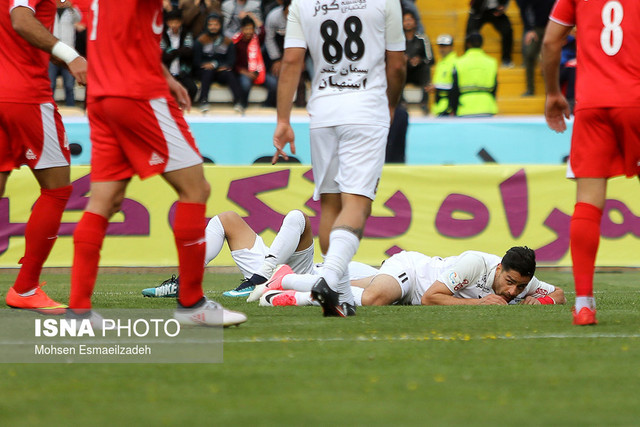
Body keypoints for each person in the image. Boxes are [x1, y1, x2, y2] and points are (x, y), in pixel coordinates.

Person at [69, 0, 245, 327]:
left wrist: (167, 77)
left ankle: (78, 310)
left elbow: (136, 39)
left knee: (104, 201)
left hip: (103, 97)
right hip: (137, 93)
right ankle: (192, 303)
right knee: (195, 188)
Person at [272, 0, 406, 317]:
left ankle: (342, 298)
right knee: (357, 204)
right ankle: (329, 279)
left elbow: (291, 62)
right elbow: (397, 65)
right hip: (365, 109)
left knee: (330, 205)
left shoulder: (302, 4)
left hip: (323, 113)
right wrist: (390, 105)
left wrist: (283, 120)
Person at [542, 0, 640, 326]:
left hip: (592, 104)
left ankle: (584, 304)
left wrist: (553, 93)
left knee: (587, 204)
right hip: (636, 99)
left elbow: (550, 41)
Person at [1, 0, 87, 314]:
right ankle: (25, 287)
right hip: (24, 95)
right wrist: (72, 55)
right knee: (56, 188)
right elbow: (21, 20)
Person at [253, 247, 566, 308]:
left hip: (414, 287)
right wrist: (483, 302)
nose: (513, 290)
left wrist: (538, 302)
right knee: (376, 299)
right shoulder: (475, 263)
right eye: (510, 282)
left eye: (520, 286)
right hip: (413, 273)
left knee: (354, 288)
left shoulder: (524, 284)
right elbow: (431, 297)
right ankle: (298, 296)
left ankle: (290, 280)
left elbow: (560, 294)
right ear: (499, 269)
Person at [142, 209, 315, 298]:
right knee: (226, 219)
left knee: (297, 216)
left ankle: (259, 280)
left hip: (300, 275)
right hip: (273, 266)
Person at [193, 13, 242, 111]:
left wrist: (219, 65)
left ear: (220, 25)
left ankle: (238, 102)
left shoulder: (227, 41)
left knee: (229, 74)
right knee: (207, 72)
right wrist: (206, 65)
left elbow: (231, 60)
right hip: (204, 71)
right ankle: (203, 101)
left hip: (220, 70)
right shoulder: (200, 40)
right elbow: (196, 61)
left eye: (216, 24)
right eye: (210, 25)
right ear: (206, 26)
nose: (213, 27)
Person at [232, 15, 277, 109]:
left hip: (259, 71)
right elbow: (232, 63)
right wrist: (245, 72)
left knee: (274, 84)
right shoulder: (236, 42)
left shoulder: (256, 39)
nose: (249, 32)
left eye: (251, 29)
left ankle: (267, 105)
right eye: (246, 29)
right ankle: (243, 105)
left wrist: (253, 17)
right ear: (241, 29)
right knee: (245, 85)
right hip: (244, 72)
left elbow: (263, 30)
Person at [450, 32, 498, 117]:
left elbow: (455, 89)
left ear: (468, 44)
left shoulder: (459, 63)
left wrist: (453, 108)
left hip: (465, 108)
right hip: (487, 107)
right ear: (482, 44)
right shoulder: (491, 62)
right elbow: (495, 87)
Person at [515, 0, 554, 96]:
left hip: (552, 28)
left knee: (549, 58)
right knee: (529, 54)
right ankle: (530, 89)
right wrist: (529, 29)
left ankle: (551, 91)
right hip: (535, 28)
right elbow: (524, 10)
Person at [49, 0, 82, 107]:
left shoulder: (70, 12)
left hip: (68, 54)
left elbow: (79, 18)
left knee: (69, 85)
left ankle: (71, 110)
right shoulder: (50, 10)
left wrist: (71, 7)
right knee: (51, 85)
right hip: (53, 53)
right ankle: (51, 108)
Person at [161, 9, 198, 102]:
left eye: (176, 22)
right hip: (167, 72)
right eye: (171, 22)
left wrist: (172, 52)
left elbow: (189, 52)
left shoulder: (186, 34)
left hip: (183, 72)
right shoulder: (162, 35)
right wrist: (180, 51)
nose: (174, 25)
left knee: (193, 89)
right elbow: (162, 55)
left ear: (181, 22)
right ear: (167, 23)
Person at [402, 9, 434, 114]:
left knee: (426, 69)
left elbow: (431, 59)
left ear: (415, 22)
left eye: (409, 20)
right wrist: (403, 60)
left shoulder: (423, 38)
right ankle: (401, 102)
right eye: (405, 20)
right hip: (404, 71)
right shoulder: (398, 39)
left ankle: (424, 103)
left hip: (418, 72)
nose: (407, 22)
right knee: (395, 69)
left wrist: (419, 60)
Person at [466, 0, 513, 67]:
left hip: (495, 10)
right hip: (478, 10)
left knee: (507, 30)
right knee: (470, 33)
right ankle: (468, 58)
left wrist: (503, 6)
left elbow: (505, 2)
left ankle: (506, 59)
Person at [429, 34, 457, 117]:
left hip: (448, 106)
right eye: (440, 46)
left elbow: (455, 86)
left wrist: (436, 87)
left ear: (451, 47)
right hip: (440, 106)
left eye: (445, 46)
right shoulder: (440, 63)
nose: (442, 49)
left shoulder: (455, 62)